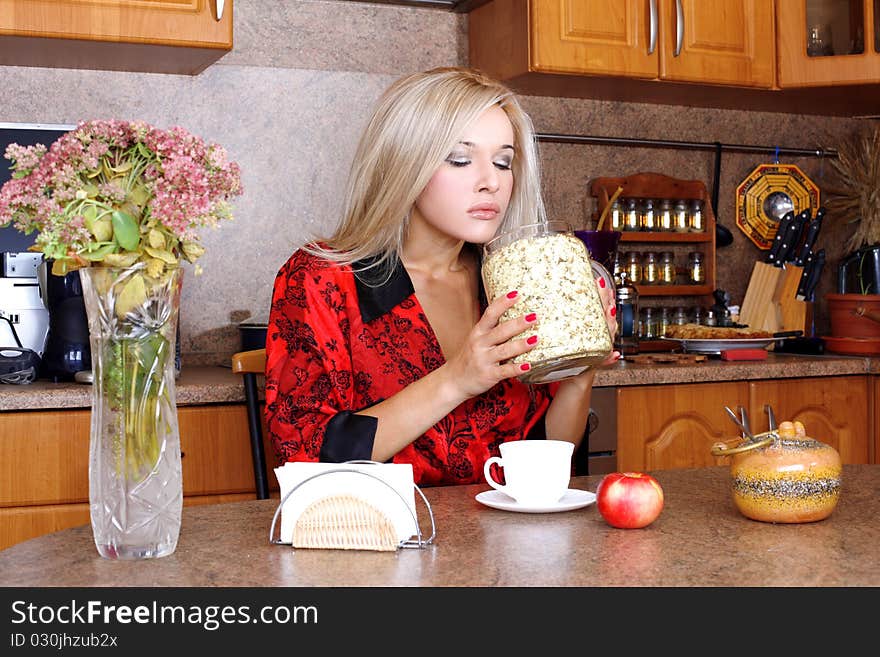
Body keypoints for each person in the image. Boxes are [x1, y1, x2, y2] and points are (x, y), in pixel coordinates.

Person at [265, 67, 619, 486]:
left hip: (503, 543)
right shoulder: (321, 279)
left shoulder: (506, 284)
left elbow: (541, 451)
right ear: (404, 164)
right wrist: (458, 378)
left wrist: (579, 376)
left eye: (503, 162)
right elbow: (307, 457)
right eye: (460, 159)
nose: (491, 182)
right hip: (381, 543)